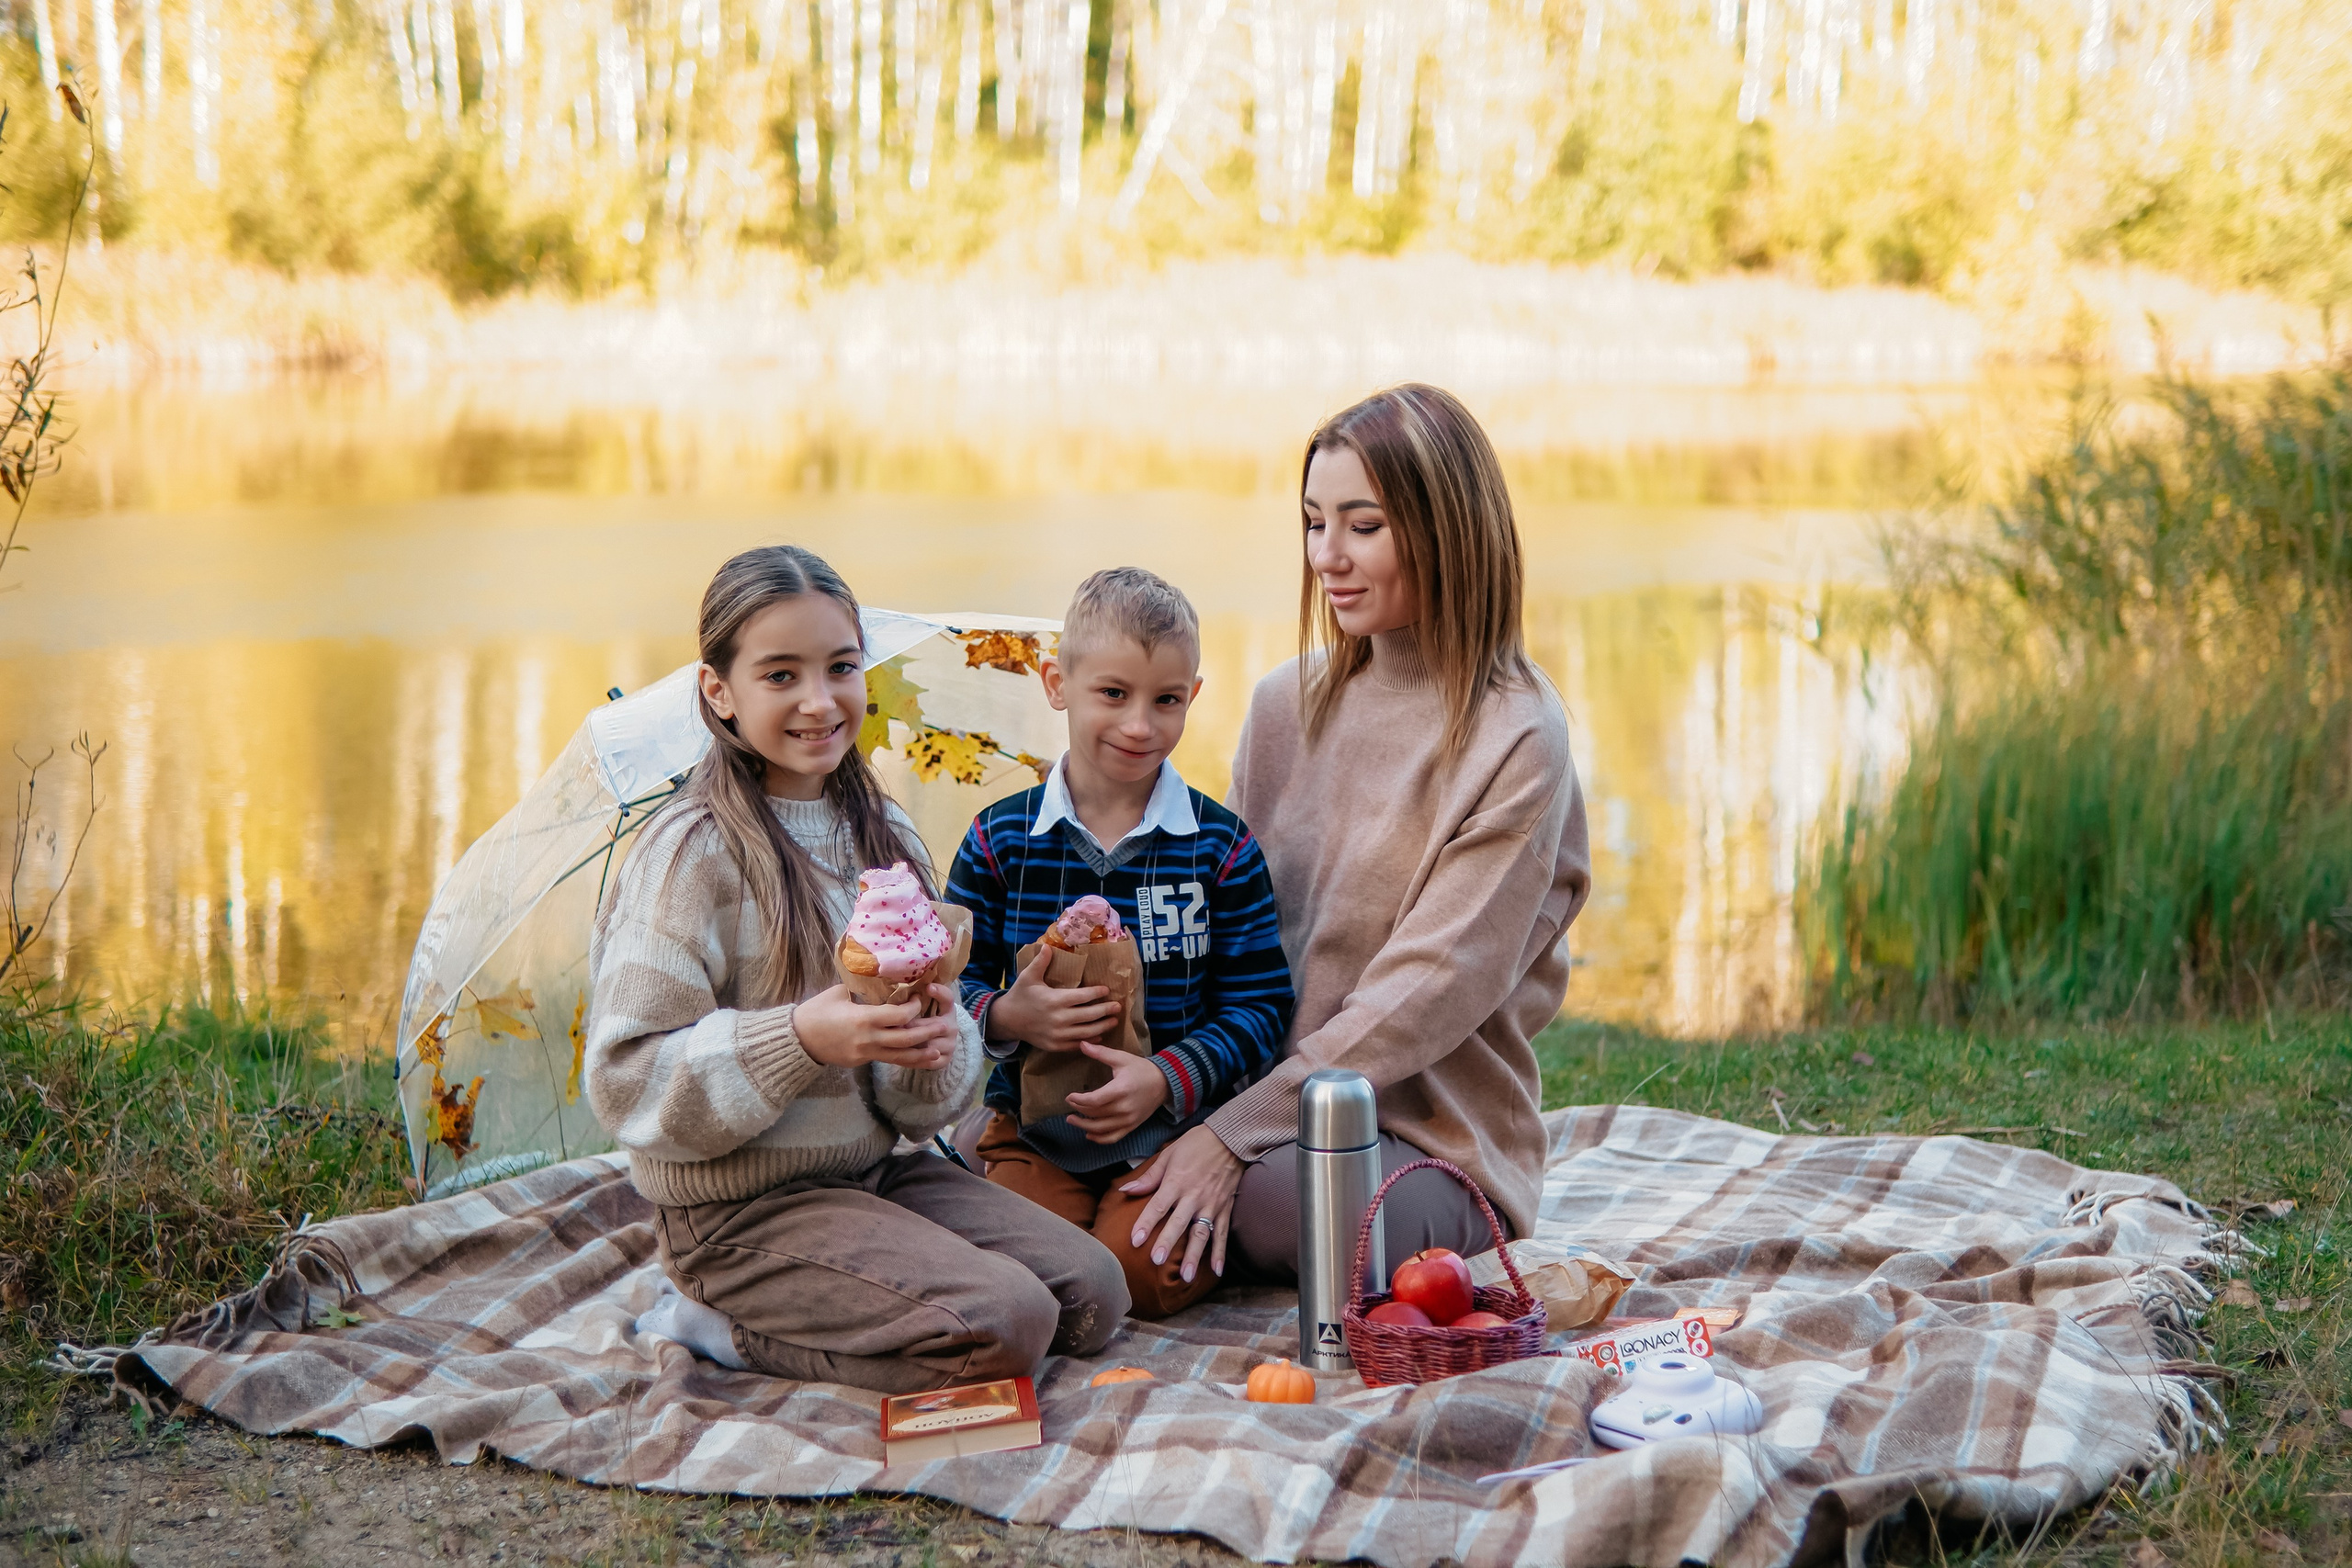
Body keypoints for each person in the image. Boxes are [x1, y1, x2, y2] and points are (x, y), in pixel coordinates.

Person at [583, 545, 1128, 1394]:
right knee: (1006, 1325)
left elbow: (922, 1111)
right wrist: (803, 1038)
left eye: (841, 667)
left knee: (1093, 1296)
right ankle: (718, 1324)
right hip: (738, 1212)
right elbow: (625, 1084)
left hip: (873, 1176)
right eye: (779, 674)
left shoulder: (889, 842)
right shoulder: (690, 854)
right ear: (717, 691)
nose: (818, 700)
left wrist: (932, 1040)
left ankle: (882, 1288)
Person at [1120, 384, 1593, 1284]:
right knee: (1019, 1136)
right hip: (1244, 1092)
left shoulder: (1517, 735)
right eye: (1312, 523)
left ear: (1447, 529)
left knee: (1270, 1200)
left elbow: (1423, 994)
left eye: (1362, 526)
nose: (1326, 557)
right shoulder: (1279, 705)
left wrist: (1231, 1135)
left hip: (1421, 1136)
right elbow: (1224, 927)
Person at [946, 567, 1294, 1317]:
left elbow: (1261, 1004)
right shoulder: (998, 840)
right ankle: (985, 1156)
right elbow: (950, 984)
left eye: (1166, 700)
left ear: (1193, 695)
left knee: (1139, 1277)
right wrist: (1008, 1016)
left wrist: (1166, 1078)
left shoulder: (1220, 848)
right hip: (1037, 1130)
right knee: (1026, 1276)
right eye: (1114, 693)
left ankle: (1170, 1224)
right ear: (1056, 682)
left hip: (1169, 1135)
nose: (1140, 725)